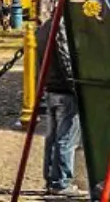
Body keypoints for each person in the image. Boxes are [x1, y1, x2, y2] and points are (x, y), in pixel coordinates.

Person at [37, 13, 80, 197]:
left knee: (53, 137)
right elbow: (64, 56)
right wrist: (74, 84)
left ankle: (51, 178)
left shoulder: (45, 26)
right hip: (64, 90)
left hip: (52, 87)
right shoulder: (60, 25)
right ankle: (61, 182)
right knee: (66, 137)